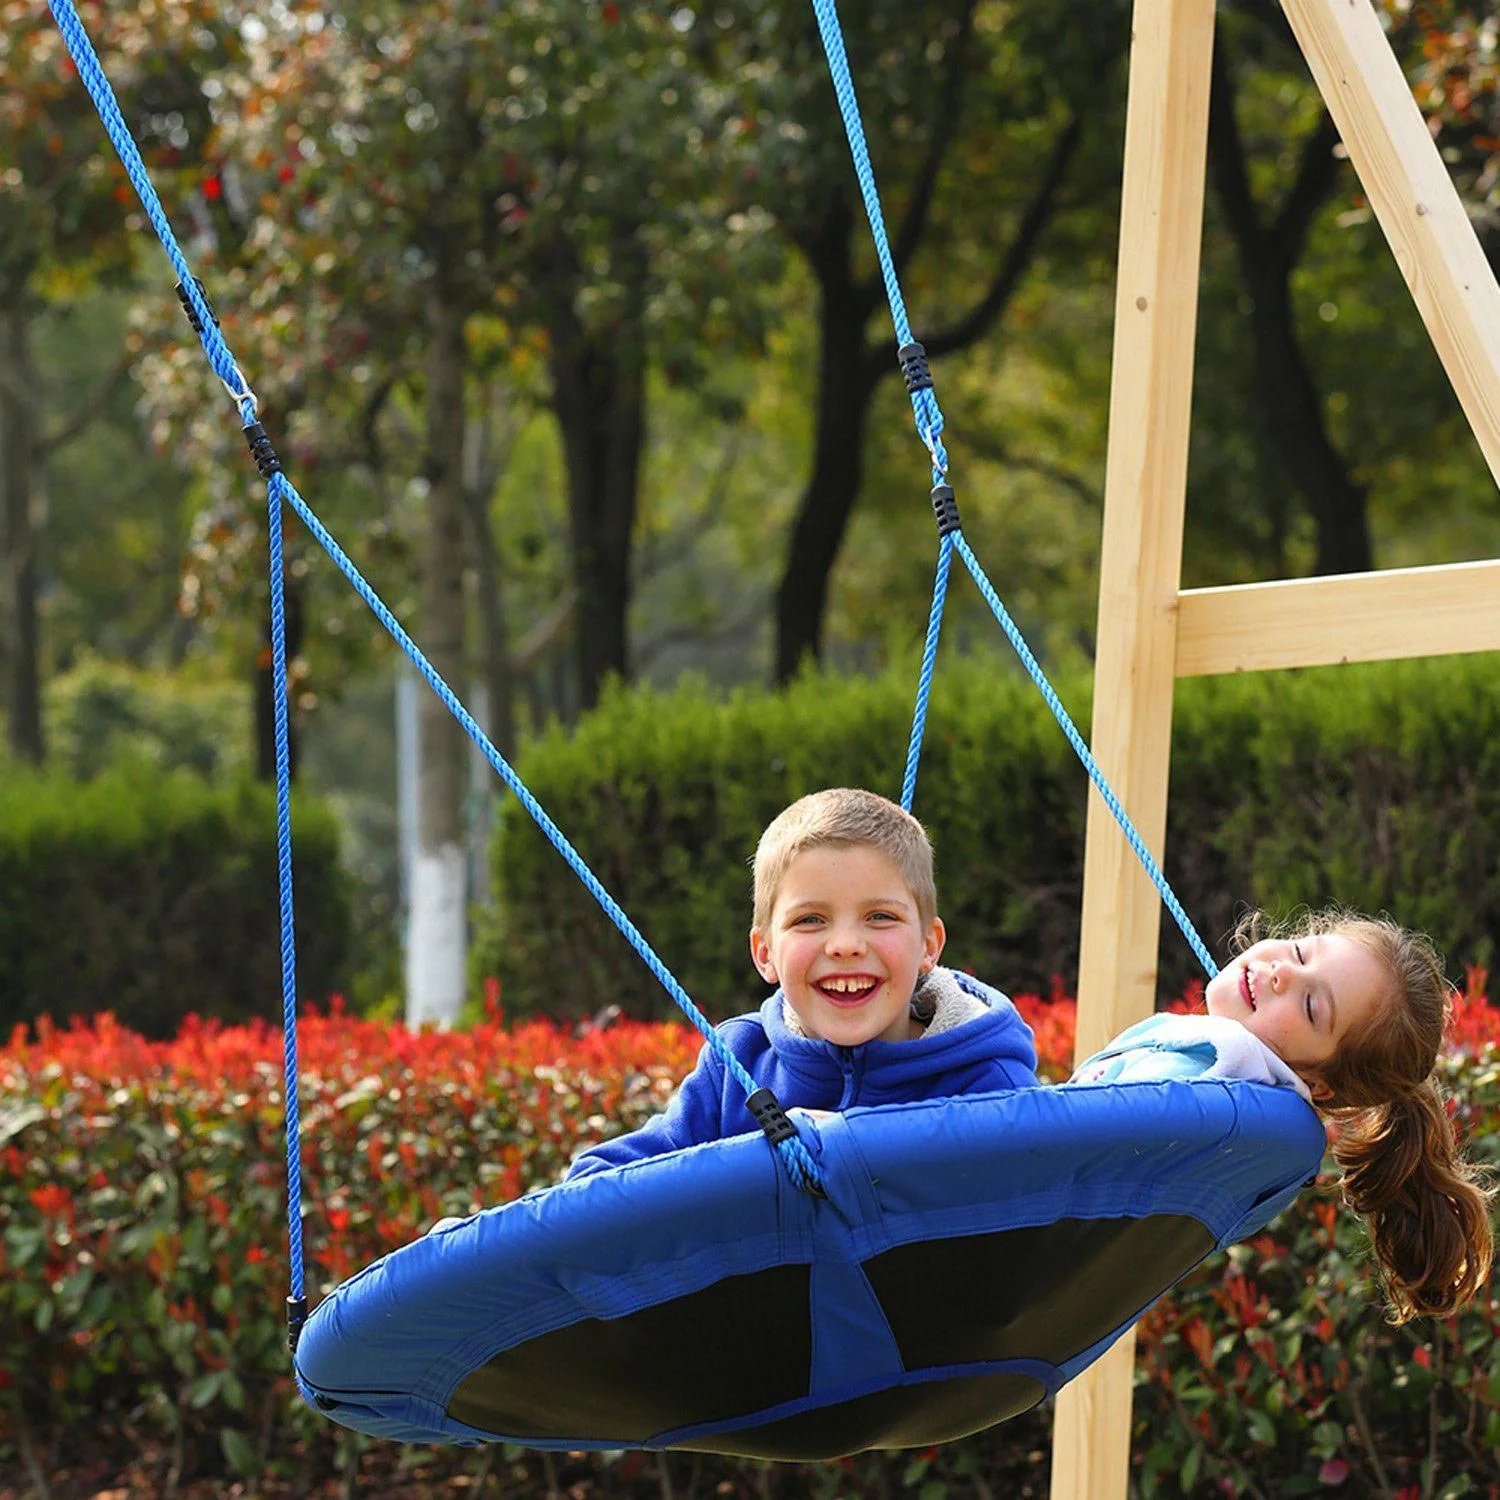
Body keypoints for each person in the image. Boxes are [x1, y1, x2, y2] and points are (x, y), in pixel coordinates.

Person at [565, 786, 1040, 1178]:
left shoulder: (985, 1078)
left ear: (929, 947)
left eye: (879, 916)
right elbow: (602, 1181)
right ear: (764, 954)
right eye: (811, 920)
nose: (845, 945)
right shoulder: (737, 1070)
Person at [1071, 908, 1495, 1323]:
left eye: (1310, 1005)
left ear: (1319, 1083)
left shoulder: (1203, 1088)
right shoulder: (1220, 1075)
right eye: (1300, 951)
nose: (1282, 973)